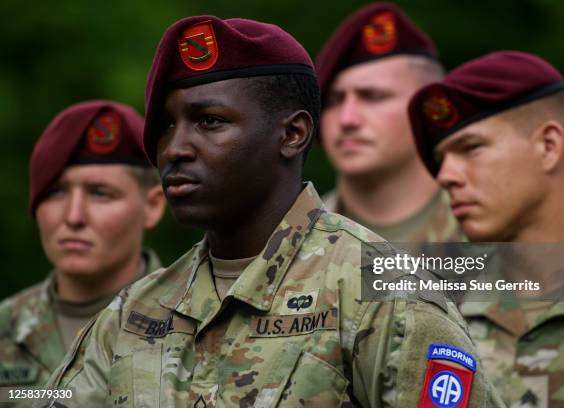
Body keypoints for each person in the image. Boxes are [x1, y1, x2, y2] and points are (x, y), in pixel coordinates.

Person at [38, 15, 503, 408]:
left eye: (210, 121)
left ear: (293, 134)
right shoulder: (135, 312)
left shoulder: (381, 295)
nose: (175, 148)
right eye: (165, 127)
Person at [408, 50, 564, 407]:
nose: (444, 177)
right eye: (441, 160)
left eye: (470, 147)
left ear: (548, 146)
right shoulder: (430, 306)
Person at [0, 101, 166, 401]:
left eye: (100, 193)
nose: (73, 216)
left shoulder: (198, 321)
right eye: (56, 192)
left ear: (152, 205)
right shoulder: (5, 329)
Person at [316, 2, 463, 243]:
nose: (347, 119)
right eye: (334, 100)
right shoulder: (289, 242)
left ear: (428, 109)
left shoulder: (497, 230)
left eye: (373, 96)